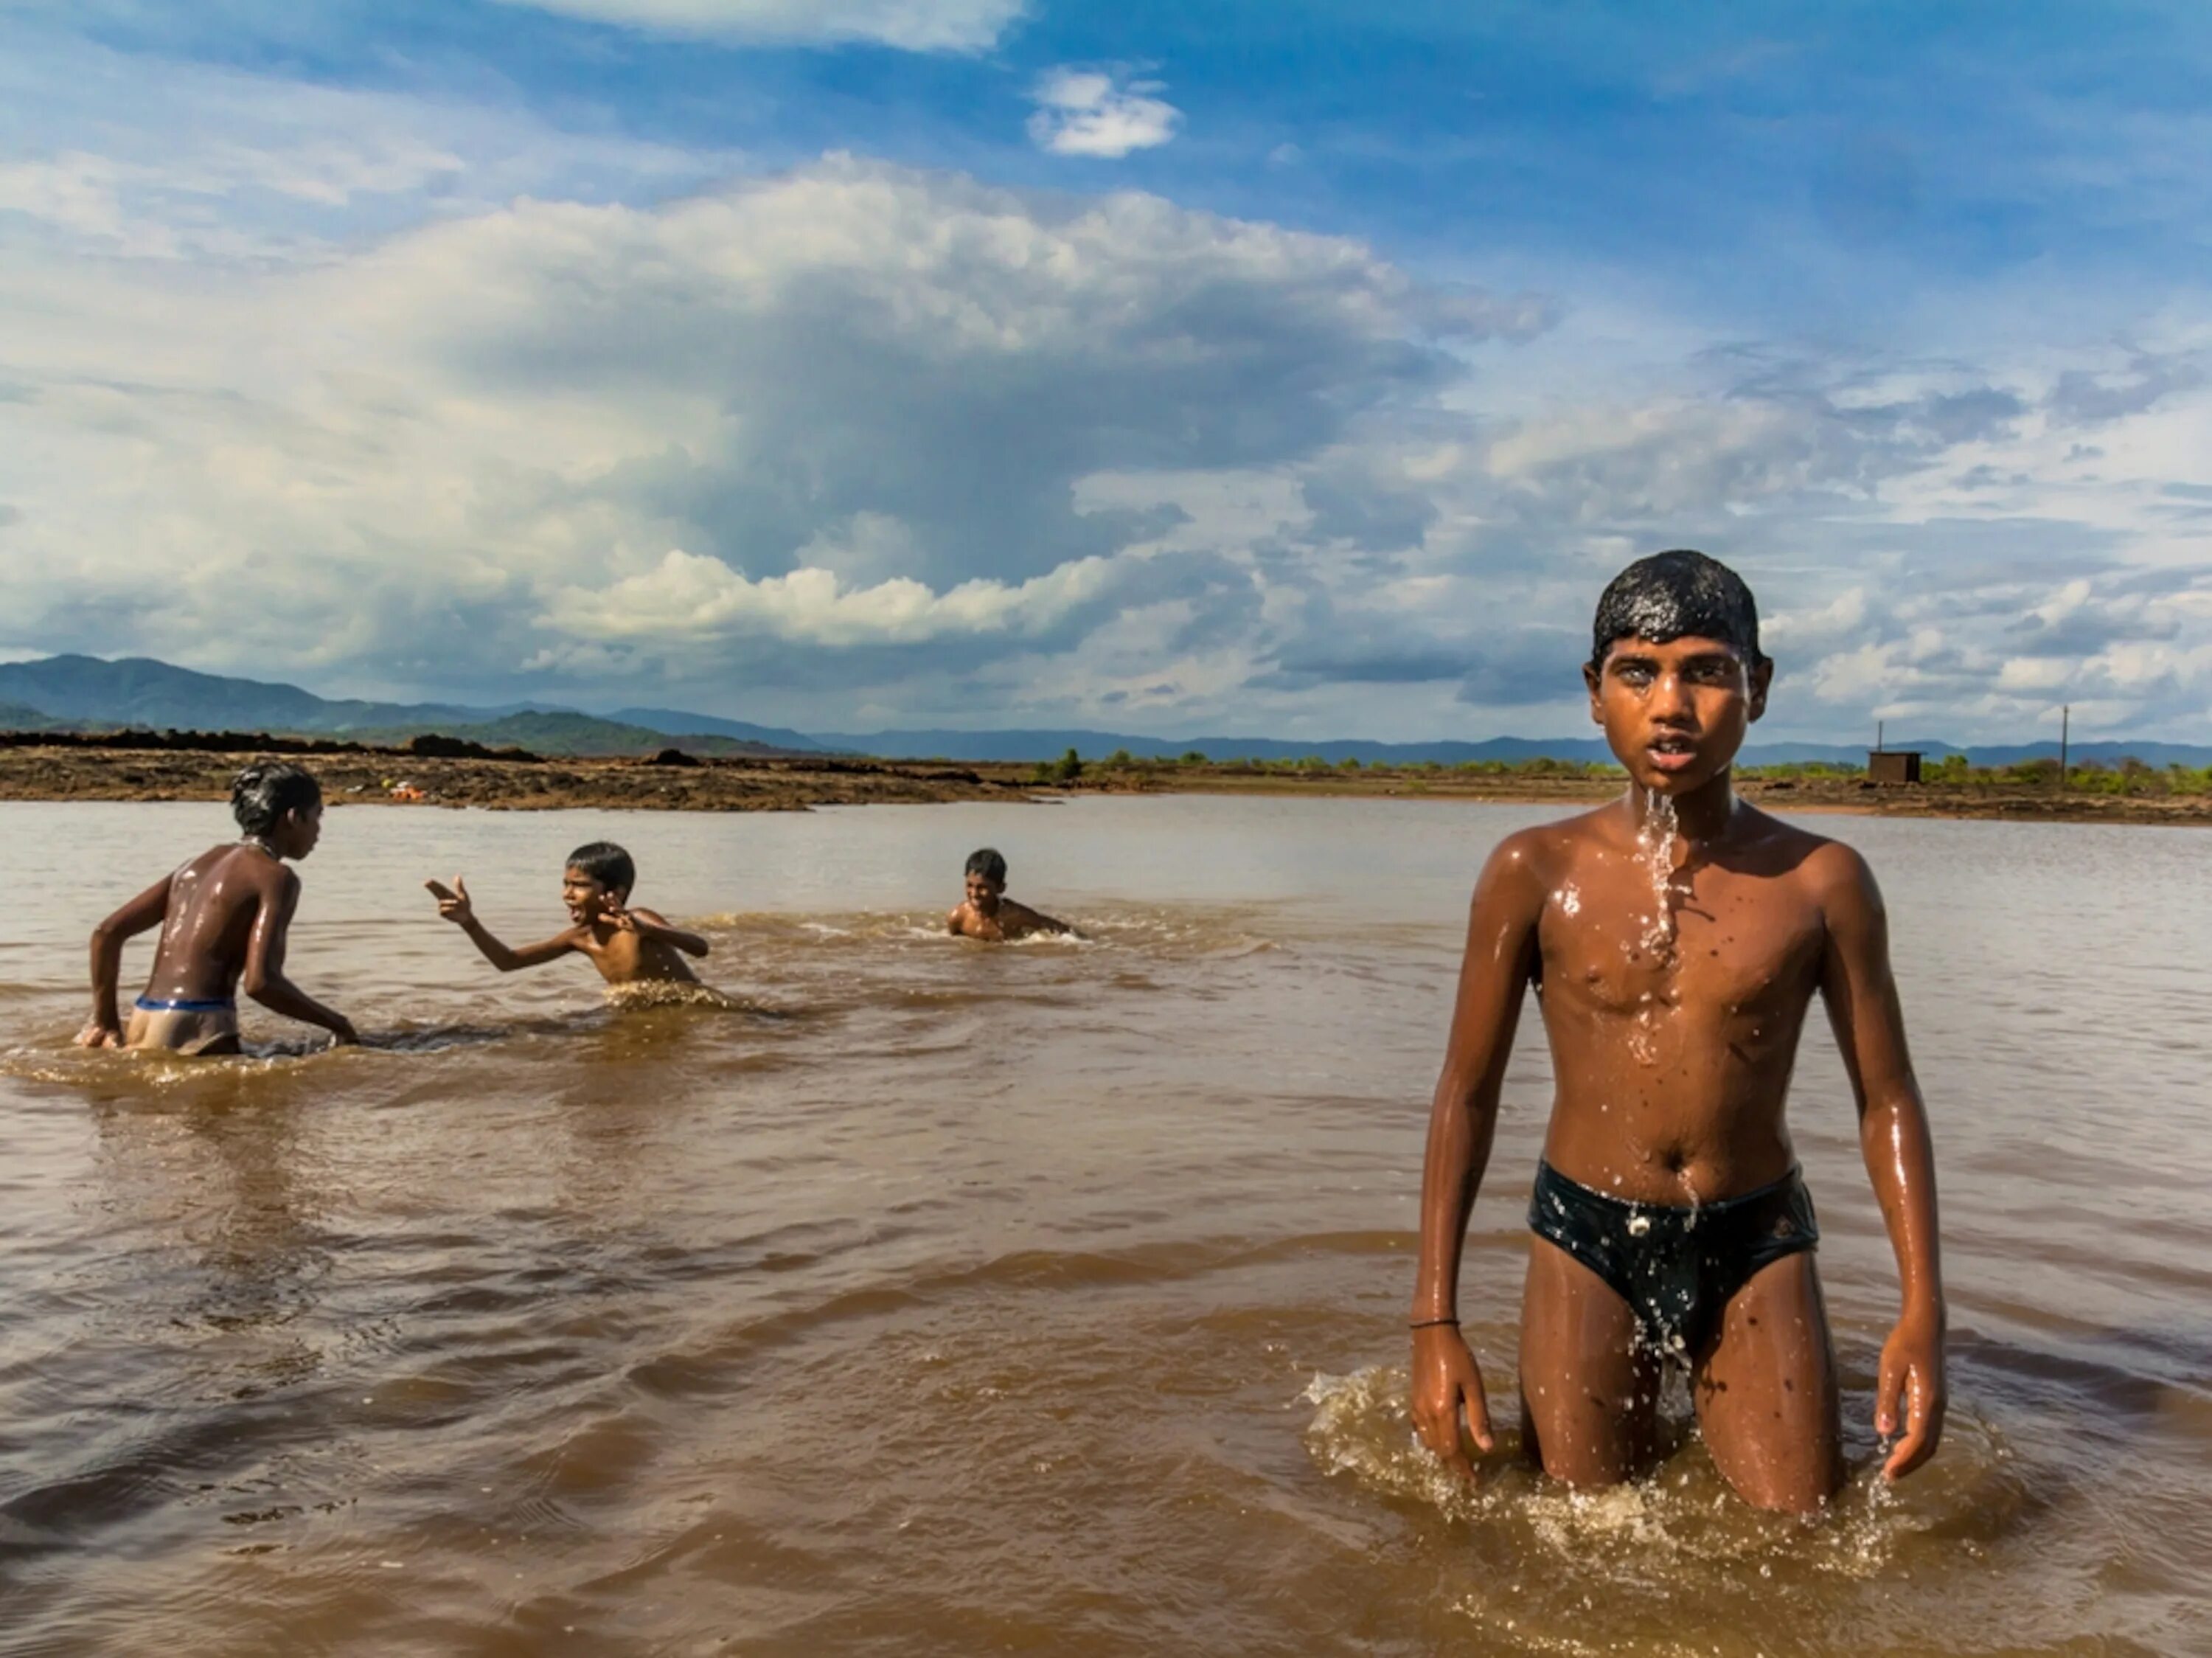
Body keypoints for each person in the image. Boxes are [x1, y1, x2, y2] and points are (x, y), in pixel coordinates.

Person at [1408, 549, 1945, 1514]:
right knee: (1577, 1536)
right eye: (1638, 672)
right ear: (1594, 692)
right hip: (1586, 1233)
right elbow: (1467, 1092)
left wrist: (1924, 1314)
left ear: (1759, 688)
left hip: (1755, 1238)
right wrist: (1433, 1321)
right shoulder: (1533, 870)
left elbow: (1887, 1098)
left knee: (1804, 1535)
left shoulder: (1822, 881)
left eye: (1706, 670)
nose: (1670, 704)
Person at [77, 760, 357, 1055]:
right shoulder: (276, 878)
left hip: (144, 1018)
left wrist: (106, 1020)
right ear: (293, 817)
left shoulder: (195, 865)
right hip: (200, 1023)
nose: (318, 831)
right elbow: (262, 983)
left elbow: (107, 933)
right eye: (317, 816)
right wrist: (338, 1023)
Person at [425, 840, 708, 985]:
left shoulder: (638, 920)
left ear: (617, 893)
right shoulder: (579, 938)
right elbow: (508, 962)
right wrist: (469, 923)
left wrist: (651, 931)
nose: (568, 895)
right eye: (566, 884)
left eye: (580, 886)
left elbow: (700, 948)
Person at [946, 847, 1072, 941]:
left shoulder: (1014, 915)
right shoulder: (958, 917)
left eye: (982, 887)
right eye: (969, 885)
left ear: (1001, 888)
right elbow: (954, 946)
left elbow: (1057, 928)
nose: (974, 893)